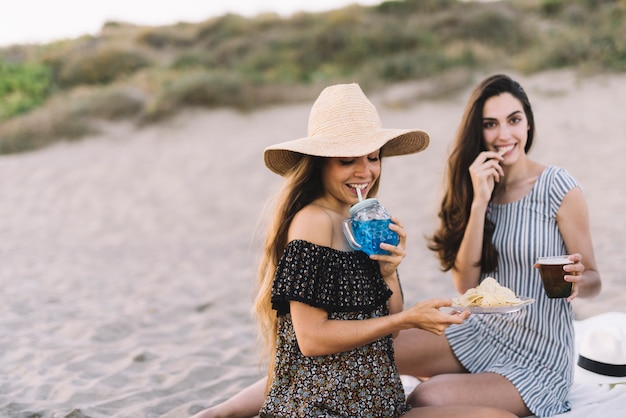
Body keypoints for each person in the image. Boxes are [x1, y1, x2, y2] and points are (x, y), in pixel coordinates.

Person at [190, 83, 515, 418]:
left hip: (377, 402)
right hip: (326, 406)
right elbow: (312, 338)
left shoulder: (362, 219)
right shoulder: (313, 221)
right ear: (320, 164)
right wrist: (408, 319)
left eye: (373, 157)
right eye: (347, 161)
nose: (365, 171)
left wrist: (388, 271)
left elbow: (390, 319)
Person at [394, 73, 602, 417]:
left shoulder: (559, 187)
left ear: (528, 125)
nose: (504, 135)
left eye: (514, 120)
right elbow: (465, 286)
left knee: (425, 399)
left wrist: (580, 280)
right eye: (491, 124)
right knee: (378, 351)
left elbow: (595, 279)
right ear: (479, 131)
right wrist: (479, 201)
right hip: (478, 331)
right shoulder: (477, 184)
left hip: (537, 355)